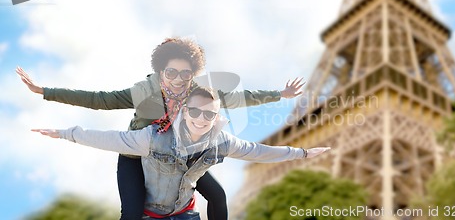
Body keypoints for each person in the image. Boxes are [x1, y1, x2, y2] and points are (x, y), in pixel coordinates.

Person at [17, 37, 305, 220]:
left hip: (180, 155)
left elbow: (242, 98)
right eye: (171, 72)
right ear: (160, 72)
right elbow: (98, 100)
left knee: (217, 196)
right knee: (131, 213)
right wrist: (45, 91)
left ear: (193, 73)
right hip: (140, 152)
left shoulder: (200, 93)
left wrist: (280, 95)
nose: (178, 79)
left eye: (186, 73)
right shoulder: (144, 91)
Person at [32, 87, 331, 219]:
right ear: (184, 111)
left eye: (209, 115)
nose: (202, 119)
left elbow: (258, 151)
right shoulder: (152, 137)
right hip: (150, 212)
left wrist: (302, 152)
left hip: (184, 214)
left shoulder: (221, 141)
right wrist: (65, 133)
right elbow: (110, 138)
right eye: (196, 112)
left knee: (218, 195)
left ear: (216, 117)